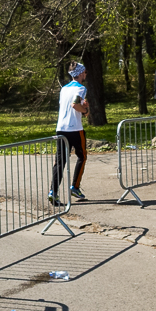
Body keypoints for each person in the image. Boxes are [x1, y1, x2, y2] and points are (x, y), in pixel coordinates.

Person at [49, 61, 89, 204]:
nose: (85, 75)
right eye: (84, 72)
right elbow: (74, 104)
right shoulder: (81, 88)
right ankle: (75, 187)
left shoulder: (63, 88)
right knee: (82, 156)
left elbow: (64, 105)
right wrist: (85, 110)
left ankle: (53, 192)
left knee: (60, 162)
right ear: (79, 74)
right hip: (75, 128)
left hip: (61, 127)